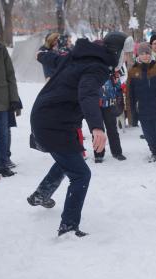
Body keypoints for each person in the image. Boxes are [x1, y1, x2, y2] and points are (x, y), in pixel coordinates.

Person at [27, 32, 127, 236]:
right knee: (81, 174)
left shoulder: (80, 56)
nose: (125, 58)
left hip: (50, 116)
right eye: (124, 53)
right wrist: (97, 127)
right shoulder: (97, 67)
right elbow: (87, 94)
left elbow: (56, 59)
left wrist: (41, 55)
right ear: (116, 52)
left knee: (72, 157)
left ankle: (42, 194)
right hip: (53, 122)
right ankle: (69, 226)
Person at [127, 42, 156, 164]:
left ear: (150, 54)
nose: (145, 56)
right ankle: (154, 152)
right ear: (139, 55)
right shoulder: (133, 71)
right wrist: (132, 113)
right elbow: (129, 95)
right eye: (142, 54)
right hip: (142, 109)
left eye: (147, 53)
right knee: (149, 134)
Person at [0, 12, 21, 181]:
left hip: (3, 99)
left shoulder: (0, 48)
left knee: (3, 135)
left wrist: (14, 98)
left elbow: (10, 75)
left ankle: (3, 164)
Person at [94, 69, 127, 163]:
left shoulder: (112, 72)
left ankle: (117, 152)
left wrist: (119, 101)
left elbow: (119, 88)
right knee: (97, 130)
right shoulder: (90, 71)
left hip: (109, 106)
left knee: (112, 129)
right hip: (95, 106)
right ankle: (98, 154)